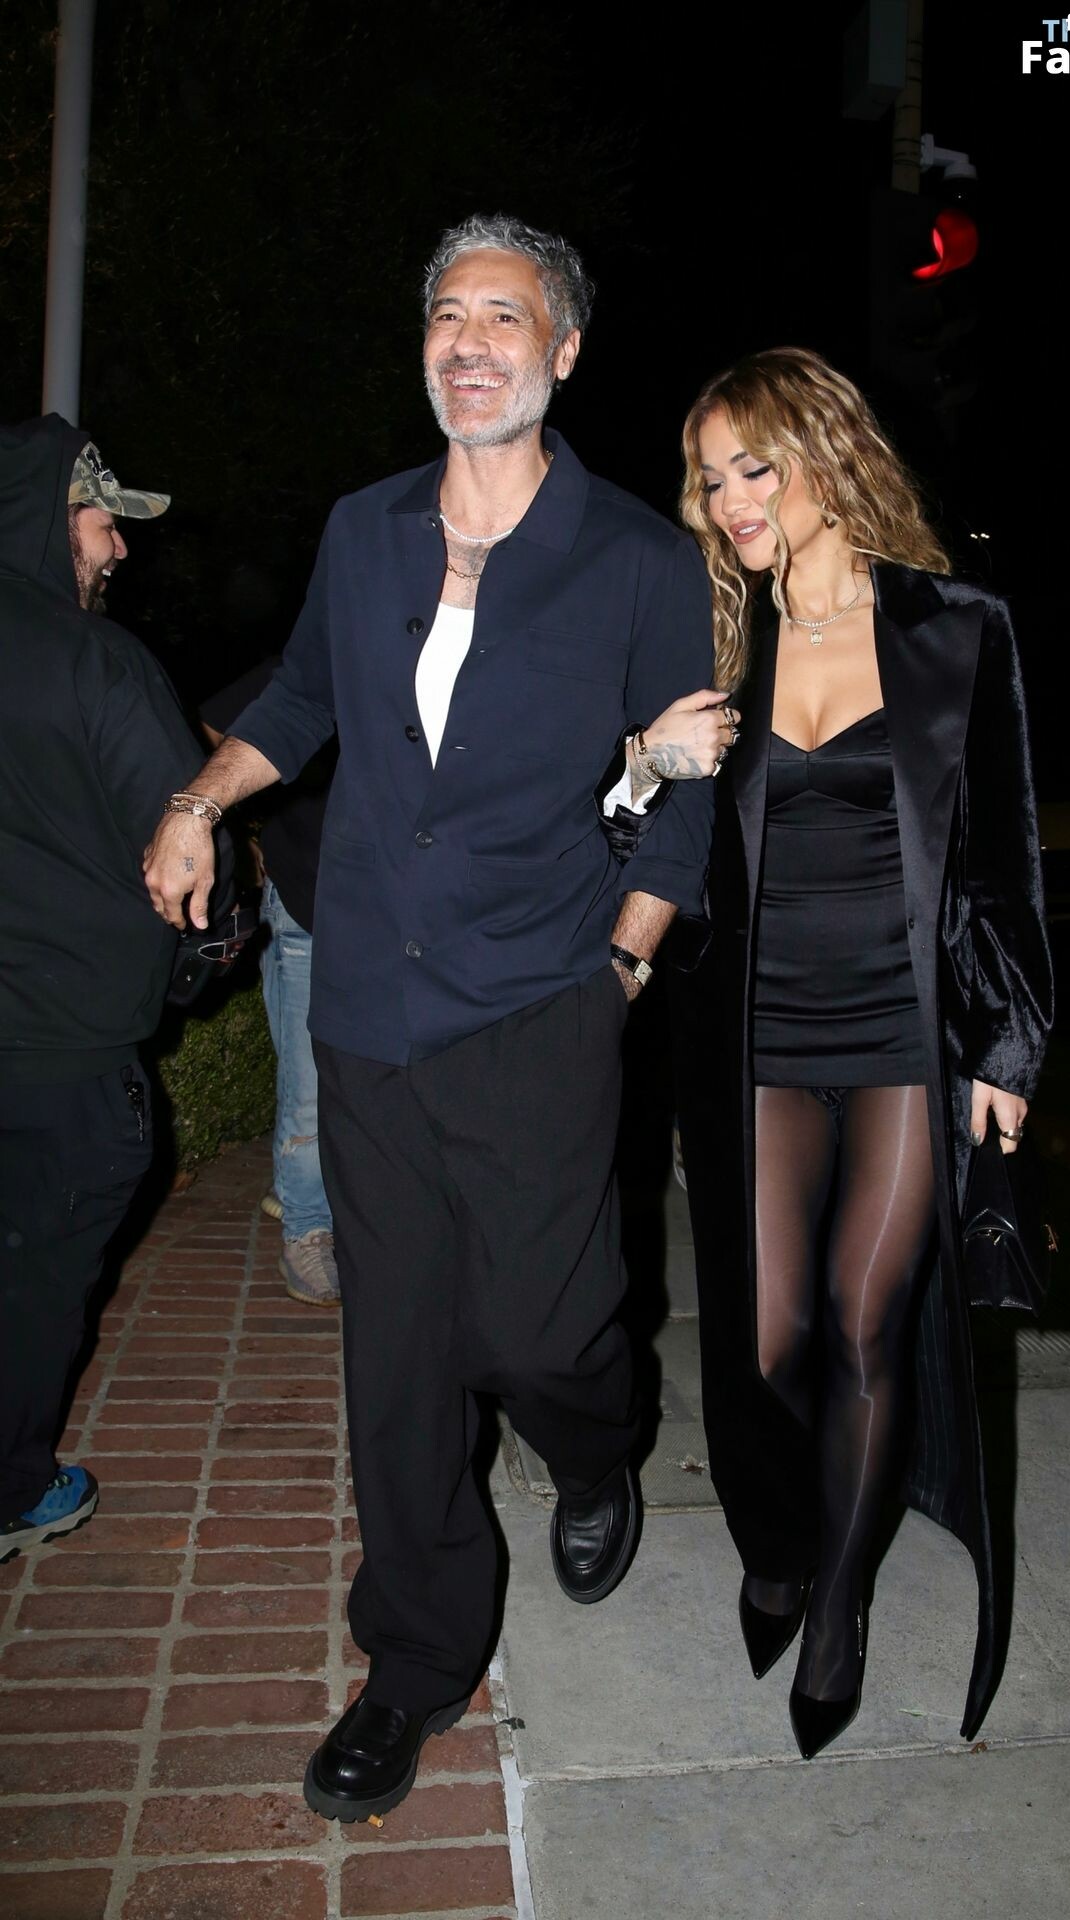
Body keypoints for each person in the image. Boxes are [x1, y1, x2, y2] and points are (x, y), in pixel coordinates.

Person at [141, 214, 723, 1823]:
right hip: (371, 1009)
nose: (469, 342)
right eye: (446, 315)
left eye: (504, 316)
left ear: (565, 350)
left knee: (543, 1333)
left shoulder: (636, 560)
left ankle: (596, 1444)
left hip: (541, 1001)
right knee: (398, 1352)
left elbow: (680, 802)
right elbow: (305, 700)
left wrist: (620, 970)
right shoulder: (368, 528)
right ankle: (413, 1660)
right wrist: (199, 799)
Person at [629, 348, 1053, 1757]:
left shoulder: (957, 630)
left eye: (755, 467)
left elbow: (1001, 858)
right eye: (711, 478)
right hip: (754, 1037)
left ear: (828, 453)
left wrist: (1008, 1045)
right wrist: (640, 763)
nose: (731, 500)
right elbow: (632, 831)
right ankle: (786, 1537)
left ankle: (838, 1610)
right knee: (769, 1337)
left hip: (902, 1038)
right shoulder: (714, 644)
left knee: (866, 1322)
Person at [0, 415, 221, 1561]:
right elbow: (183, 861)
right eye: (101, 522)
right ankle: (13, 1485)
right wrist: (204, 957)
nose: (118, 548)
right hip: (64, 1053)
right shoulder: (98, 664)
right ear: (48, 521)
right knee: (37, 1279)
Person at [202, 661, 340, 1306]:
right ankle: (308, 1230)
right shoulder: (321, 650)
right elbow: (215, 723)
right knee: (308, 1080)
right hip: (306, 895)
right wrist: (251, 813)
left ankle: (295, 1190)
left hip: (391, 910)